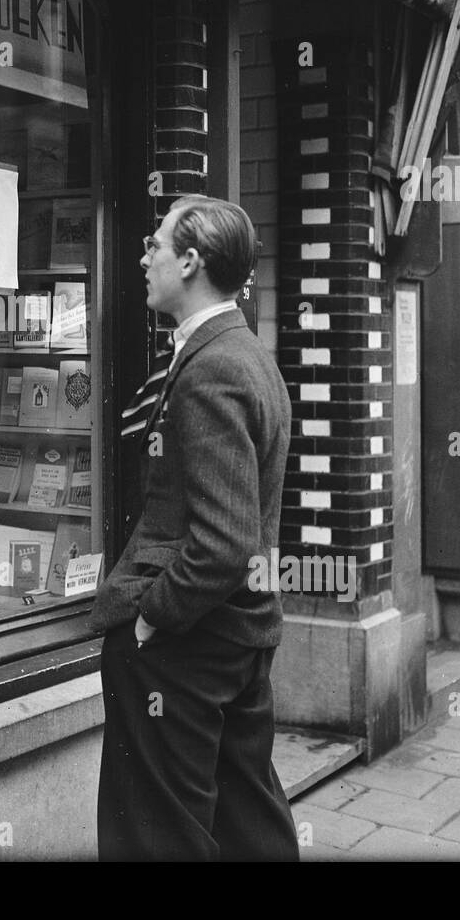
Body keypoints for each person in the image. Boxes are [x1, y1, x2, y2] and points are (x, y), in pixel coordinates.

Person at [91, 195, 298, 862]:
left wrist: (152, 619)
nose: (144, 256)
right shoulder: (247, 355)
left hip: (186, 644)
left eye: (155, 244)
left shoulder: (209, 370)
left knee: (158, 833)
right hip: (239, 635)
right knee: (247, 820)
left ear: (191, 261)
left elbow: (223, 543)